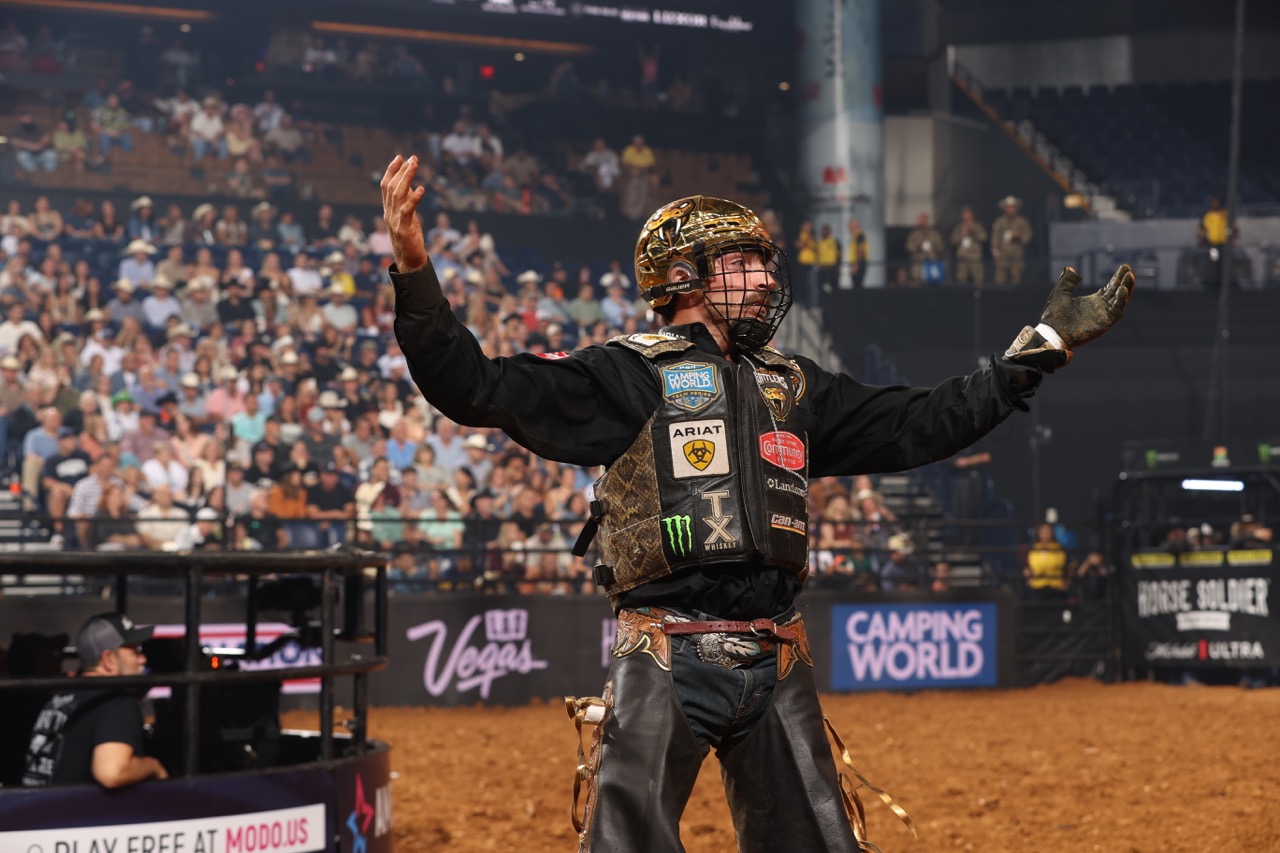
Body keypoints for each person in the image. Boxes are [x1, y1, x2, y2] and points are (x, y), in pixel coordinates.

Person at [381, 156, 1134, 851]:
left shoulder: (797, 384)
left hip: (779, 655)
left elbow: (923, 420)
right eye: (744, 263)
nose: (767, 280)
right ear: (683, 277)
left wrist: (1038, 349)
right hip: (665, 651)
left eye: (766, 265)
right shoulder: (624, 374)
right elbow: (475, 386)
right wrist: (414, 272)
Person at [23, 612, 169, 788]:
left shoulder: (61, 698)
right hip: (74, 806)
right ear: (109, 660)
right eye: (135, 650)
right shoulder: (117, 703)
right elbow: (112, 772)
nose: (142, 658)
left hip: (35, 802)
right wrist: (154, 766)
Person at [991, 195, 1032, 286]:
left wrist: (1019, 237)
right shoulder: (1000, 222)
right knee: (1000, 280)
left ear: (1016, 208)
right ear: (1005, 208)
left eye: (1013, 207)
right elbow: (995, 237)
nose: (1010, 209)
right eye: (1008, 207)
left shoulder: (1022, 222)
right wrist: (995, 251)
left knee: (1016, 278)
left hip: (1017, 255)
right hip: (1002, 255)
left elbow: (1027, 236)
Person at [950, 205, 987, 286]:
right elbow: (953, 241)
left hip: (975, 258)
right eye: (965, 214)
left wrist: (973, 230)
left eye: (968, 213)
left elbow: (983, 238)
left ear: (972, 215)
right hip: (962, 258)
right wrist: (962, 234)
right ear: (962, 215)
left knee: (978, 280)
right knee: (961, 280)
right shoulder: (958, 228)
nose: (967, 216)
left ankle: (978, 293)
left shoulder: (978, 226)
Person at [905, 212, 944, 285]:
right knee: (917, 284)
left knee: (932, 286)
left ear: (926, 220)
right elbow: (908, 246)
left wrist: (933, 248)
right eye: (919, 220)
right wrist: (918, 247)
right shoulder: (914, 234)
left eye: (922, 219)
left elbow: (941, 247)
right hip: (918, 266)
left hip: (932, 265)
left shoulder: (934, 234)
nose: (920, 221)